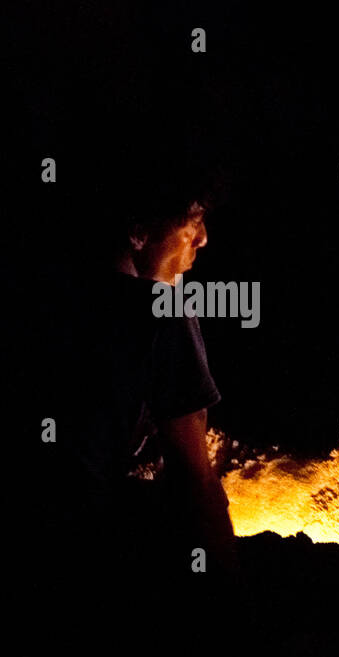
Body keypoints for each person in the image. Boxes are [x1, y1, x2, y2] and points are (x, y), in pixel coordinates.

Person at [41, 171, 237, 578]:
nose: (202, 239)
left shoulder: (53, 296)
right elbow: (194, 481)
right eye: (193, 220)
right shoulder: (162, 314)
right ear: (138, 233)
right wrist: (230, 582)